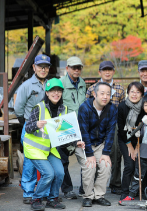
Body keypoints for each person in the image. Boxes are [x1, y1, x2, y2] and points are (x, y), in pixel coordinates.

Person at [26, 78, 84, 211]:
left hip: (49, 148)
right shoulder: (39, 107)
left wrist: (77, 142)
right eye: (52, 90)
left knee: (59, 172)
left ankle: (53, 199)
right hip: (34, 147)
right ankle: (36, 199)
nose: (56, 93)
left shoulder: (64, 109)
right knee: (48, 174)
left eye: (59, 91)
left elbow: (65, 134)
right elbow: (28, 127)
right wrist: (36, 124)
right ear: (46, 92)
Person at [15, 54, 53, 203]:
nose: (43, 69)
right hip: (31, 127)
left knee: (46, 158)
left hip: (47, 129)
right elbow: (18, 108)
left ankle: (44, 191)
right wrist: (26, 123)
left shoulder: (50, 84)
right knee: (30, 161)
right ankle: (28, 193)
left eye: (46, 67)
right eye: (40, 66)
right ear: (34, 67)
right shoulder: (26, 86)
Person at [77, 81, 116, 207]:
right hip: (84, 144)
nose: (105, 96)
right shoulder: (85, 107)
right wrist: (89, 153)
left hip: (100, 144)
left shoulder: (112, 109)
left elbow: (111, 132)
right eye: (102, 93)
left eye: (108, 94)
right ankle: (88, 196)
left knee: (106, 165)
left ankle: (99, 195)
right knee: (90, 166)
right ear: (94, 94)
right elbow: (84, 132)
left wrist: (106, 153)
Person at [94, 61, 125, 196]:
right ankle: (93, 184)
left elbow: (123, 108)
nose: (107, 72)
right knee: (95, 152)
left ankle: (115, 183)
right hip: (96, 123)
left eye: (110, 70)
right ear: (99, 72)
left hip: (115, 123)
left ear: (113, 71)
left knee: (116, 153)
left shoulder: (120, 88)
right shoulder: (93, 88)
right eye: (104, 70)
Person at [61, 57, 89, 200]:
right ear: (67, 68)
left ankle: (85, 189)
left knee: (84, 158)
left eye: (79, 67)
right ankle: (67, 189)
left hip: (81, 126)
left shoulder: (83, 83)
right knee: (64, 159)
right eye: (73, 67)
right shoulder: (61, 83)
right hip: (66, 125)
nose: (76, 70)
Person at [116, 82, 146, 204]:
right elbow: (121, 127)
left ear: (142, 94)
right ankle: (124, 192)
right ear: (128, 93)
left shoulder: (144, 106)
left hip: (140, 139)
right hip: (125, 139)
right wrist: (130, 146)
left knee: (141, 164)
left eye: (138, 92)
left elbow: (145, 128)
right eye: (132, 91)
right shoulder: (122, 106)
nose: (134, 94)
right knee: (129, 164)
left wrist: (138, 147)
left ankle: (141, 190)